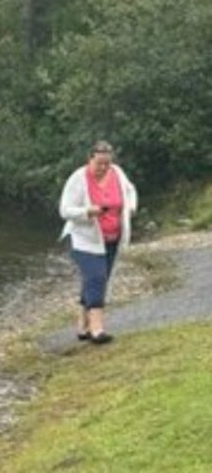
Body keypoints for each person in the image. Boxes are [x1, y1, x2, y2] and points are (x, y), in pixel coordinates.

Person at [59, 141, 138, 344]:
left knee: (96, 280)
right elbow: (65, 210)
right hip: (83, 240)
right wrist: (87, 211)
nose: (103, 167)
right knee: (97, 278)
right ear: (90, 159)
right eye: (99, 163)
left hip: (111, 238)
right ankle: (97, 330)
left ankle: (82, 327)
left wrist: (130, 208)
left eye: (107, 163)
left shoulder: (118, 173)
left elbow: (130, 191)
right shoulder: (78, 178)